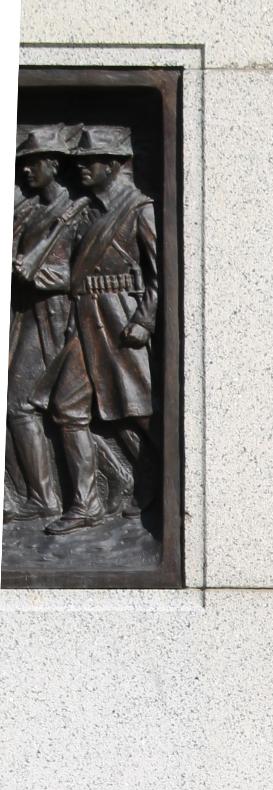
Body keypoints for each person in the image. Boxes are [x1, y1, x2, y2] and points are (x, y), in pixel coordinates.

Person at [35, 125, 158, 535]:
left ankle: (162, 481)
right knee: (68, 409)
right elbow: (72, 270)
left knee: (137, 413)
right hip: (83, 319)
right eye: (79, 162)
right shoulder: (85, 210)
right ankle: (86, 504)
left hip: (120, 319)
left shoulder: (140, 209)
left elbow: (162, 275)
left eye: (90, 162)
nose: (82, 169)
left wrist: (145, 319)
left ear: (115, 164)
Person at [6, 123, 86, 521]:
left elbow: (82, 272)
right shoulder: (31, 210)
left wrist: (33, 274)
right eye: (22, 164)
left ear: (53, 165)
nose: (25, 171)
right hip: (27, 314)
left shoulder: (76, 211)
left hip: (54, 317)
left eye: (32, 163)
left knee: (21, 405)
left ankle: (44, 498)